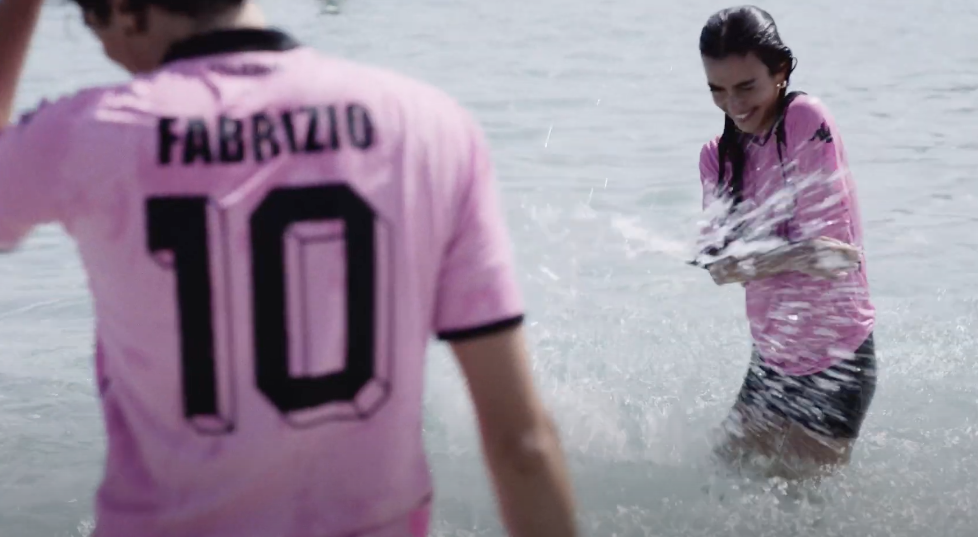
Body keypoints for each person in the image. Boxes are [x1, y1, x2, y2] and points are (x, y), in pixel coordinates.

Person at [0, 0, 579, 535]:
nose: (110, 54)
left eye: (93, 26)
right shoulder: (429, 126)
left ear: (127, 12)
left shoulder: (89, 133)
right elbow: (522, 444)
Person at [691, 5, 877, 480]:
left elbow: (834, 255)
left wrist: (755, 261)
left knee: (800, 506)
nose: (733, 103)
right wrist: (781, 257)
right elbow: (719, 263)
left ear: (780, 72)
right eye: (717, 89)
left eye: (746, 86)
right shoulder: (716, 157)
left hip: (835, 362)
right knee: (717, 483)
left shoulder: (804, 119)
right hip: (771, 362)